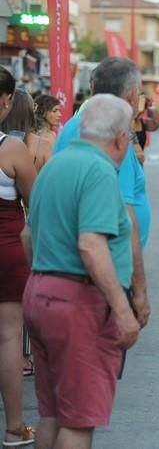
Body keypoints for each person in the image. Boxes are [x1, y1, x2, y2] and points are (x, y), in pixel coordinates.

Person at [21, 95, 141, 449]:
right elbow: (91, 244)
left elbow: (28, 236)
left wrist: (48, 281)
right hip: (77, 302)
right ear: (120, 137)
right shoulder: (100, 170)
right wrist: (123, 310)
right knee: (78, 423)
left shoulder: (55, 165)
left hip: (40, 293)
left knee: (52, 413)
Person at [54, 56, 151, 323]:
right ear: (131, 96)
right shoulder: (113, 136)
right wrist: (138, 291)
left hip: (63, 273)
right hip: (100, 279)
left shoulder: (74, 125)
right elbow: (124, 216)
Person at [0, 67, 37, 448]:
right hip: (5, 250)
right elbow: (35, 202)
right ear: (6, 101)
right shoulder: (10, 149)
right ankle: (13, 429)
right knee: (9, 337)